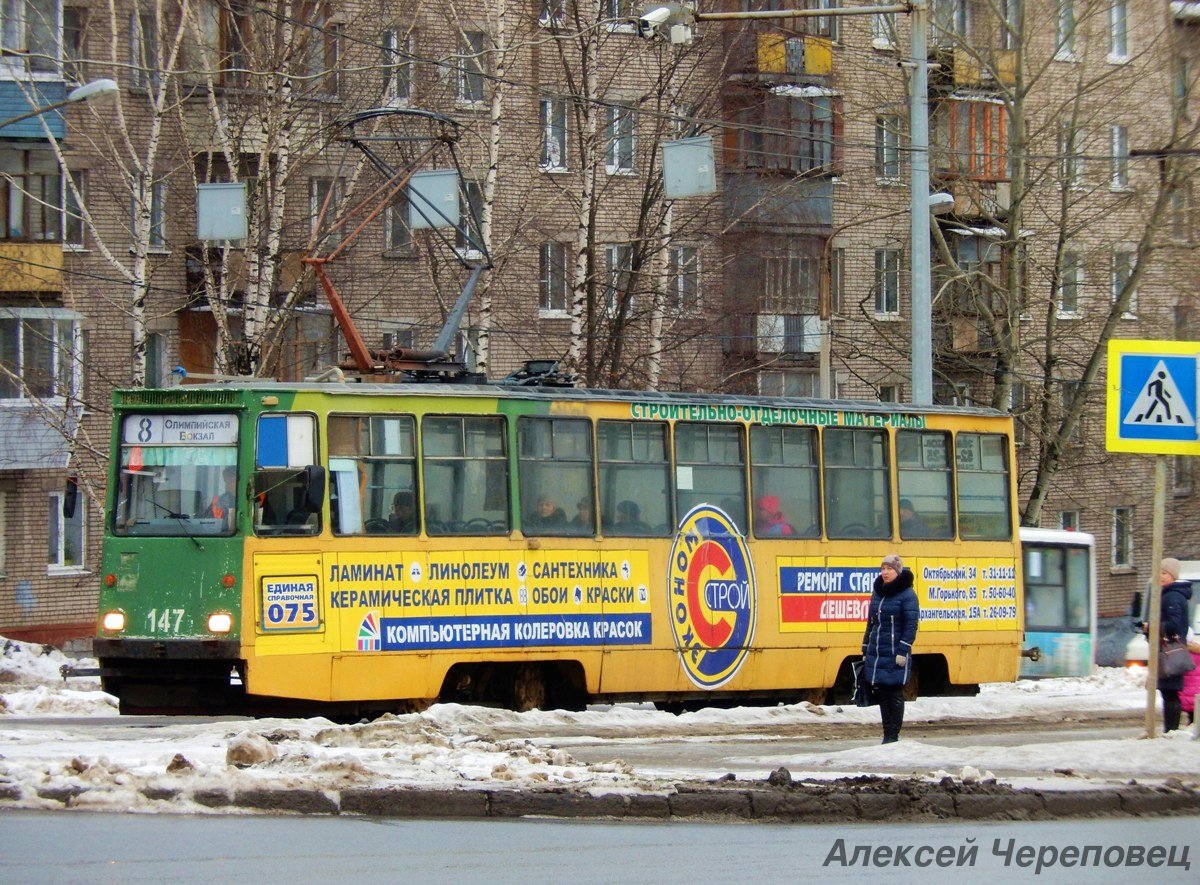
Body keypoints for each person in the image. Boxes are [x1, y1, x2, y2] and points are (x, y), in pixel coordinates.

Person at [861, 553, 919, 744]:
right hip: (878, 651)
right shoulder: (878, 593)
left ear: (897, 571)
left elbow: (911, 625)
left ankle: (893, 735)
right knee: (883, 693)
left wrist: (903, 650)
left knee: (894, 692)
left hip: (895, 652)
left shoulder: (908, 594)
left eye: (889, 569)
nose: (885, 572)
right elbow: (872, 622)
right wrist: (865, 644)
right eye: (883, 569)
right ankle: (887, 735)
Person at [1151, 557, 1192, 733]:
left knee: (1170, 692)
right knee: (1168, 692)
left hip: (1171, 651)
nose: (1160, 576)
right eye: (1159, 572)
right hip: (1169, 649)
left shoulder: (1173, 596)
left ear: (1172, 576)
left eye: (1164, 573)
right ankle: (1171, 729)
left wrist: (1152, 626)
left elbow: (1173, 625)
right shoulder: (1168, 594)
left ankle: (1171, 730)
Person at [1181, 629, 1200, 727]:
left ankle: (1191, 722)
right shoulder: (1198, 649)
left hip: (1186, 684)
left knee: (1189, 706)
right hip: (1197, 684)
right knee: (1196, 705)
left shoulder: (1181, 650)